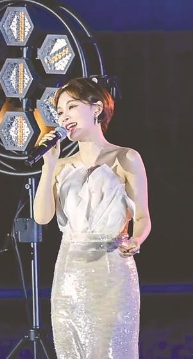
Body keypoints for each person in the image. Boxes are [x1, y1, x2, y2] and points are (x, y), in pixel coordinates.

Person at [33, 77, 152, 358]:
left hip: (111, 269)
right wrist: (48, 166)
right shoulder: (61, 166)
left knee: (110, 349)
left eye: (72, 107)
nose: (64, 117)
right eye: (60, 112)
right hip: (70, 272)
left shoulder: (125, 157)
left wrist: (136, 239)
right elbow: (42, 218)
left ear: (96, 108)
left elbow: (143, 216)